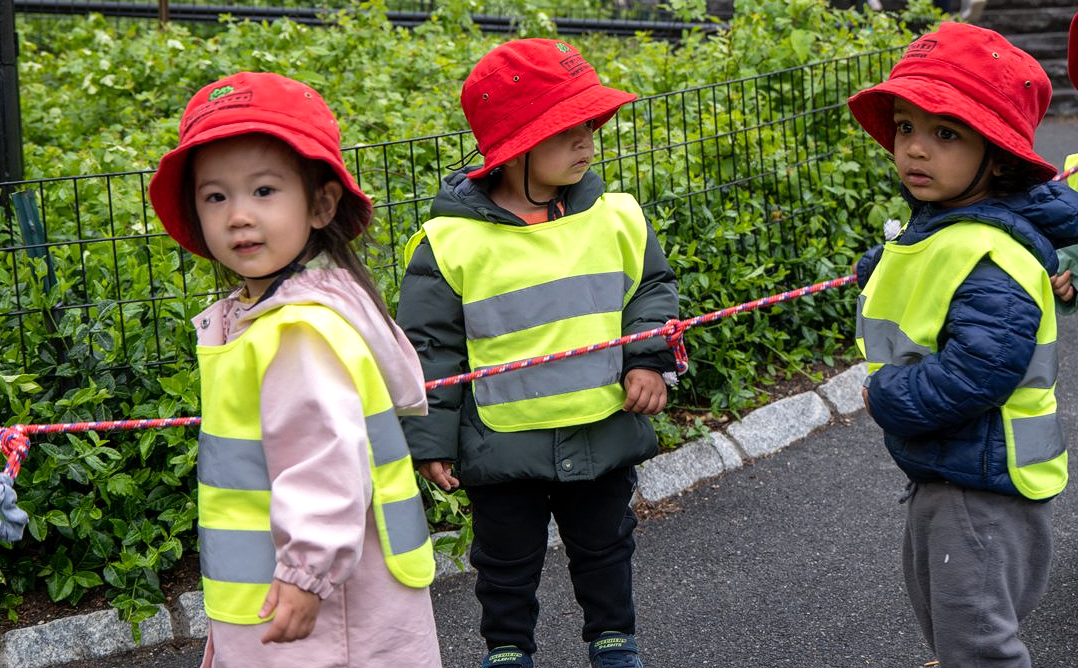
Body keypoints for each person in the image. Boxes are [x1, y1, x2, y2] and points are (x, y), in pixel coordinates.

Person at [395, 38, 679, 668]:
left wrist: (648, 358)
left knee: (606, 548)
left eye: (591, 126)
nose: (588, 142)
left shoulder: (617, 217)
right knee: (504, 563)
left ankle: (614, 644)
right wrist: (433, 439)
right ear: (515, 145)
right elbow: (429, 348)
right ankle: (507, 652)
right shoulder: (450, 243)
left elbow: (651, 290)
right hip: (502, 442)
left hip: (601, 428)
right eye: (568, 129)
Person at [147, 71, 442, 668]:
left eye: (263, 191)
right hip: (310, 594)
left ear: (321, 203)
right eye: (215, 196)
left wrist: (307, 573)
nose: (237, 217)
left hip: (319, 608)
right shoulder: (286, 309)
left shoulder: (297, 329)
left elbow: (324, 459)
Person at [848, 22, 1078, 668]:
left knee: (979, 639)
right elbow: (929, 277)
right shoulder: (946, 226)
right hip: (948, 470)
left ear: (996, 156)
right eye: (905, 128)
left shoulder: (992, 256)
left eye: (945, 134)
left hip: (984, 485)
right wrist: (882, 266)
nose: (916, 150)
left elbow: (983, 367)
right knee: (946, 616)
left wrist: (886, 394)